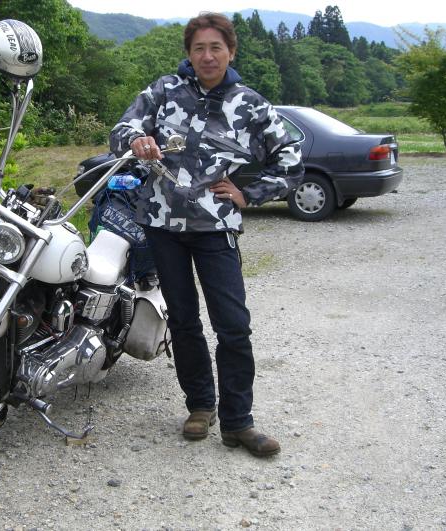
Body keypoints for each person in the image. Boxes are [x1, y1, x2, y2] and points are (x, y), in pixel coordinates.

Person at [109, 12, 304, 457]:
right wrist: (136, 141)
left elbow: (291, 156)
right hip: (163, 226)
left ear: (230, 52)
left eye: (216, 47)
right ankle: (200, 406)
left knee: (233, 325)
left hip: (216, 228)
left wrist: (249, 193)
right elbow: (121, 131)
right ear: (189, 53)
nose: (208, 56)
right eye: (199, 48)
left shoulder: (250, 104)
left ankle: (239, 422)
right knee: (182, 321)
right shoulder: (164, 90)